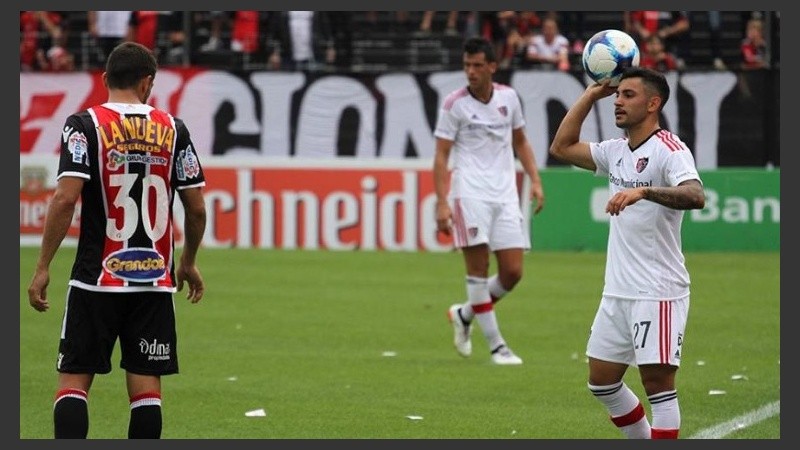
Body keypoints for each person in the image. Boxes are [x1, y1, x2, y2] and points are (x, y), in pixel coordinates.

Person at [26, 41, 207, 439]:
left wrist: (42, 267)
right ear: (148, 83)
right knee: (146, 390)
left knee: (74, 381)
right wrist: (188, 260)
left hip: (96, 278)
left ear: (106, 79)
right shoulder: (174, 129)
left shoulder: (83, 125)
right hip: (154, 282)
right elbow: (195, 208)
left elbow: (65, 198)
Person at [549, 67, 705, 439]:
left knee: (658, 385)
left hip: (658, 291)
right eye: (618, 95)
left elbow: (696, 195)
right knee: (601, 382)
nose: (618, 101)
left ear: (654, 104)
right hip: (617, 291)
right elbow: (562, 147)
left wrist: (645, 191)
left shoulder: (670, 148)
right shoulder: (615, 151)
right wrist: (590, 95)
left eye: (628, 95)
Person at [433, 36, 545, 366]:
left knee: (512, 272)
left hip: (505, 194)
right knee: (479, 271)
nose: (470, 71)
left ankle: (464, 314)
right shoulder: (454, 104)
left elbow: (521, 141)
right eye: (467, 65)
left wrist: (535, 180)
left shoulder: (509, 98)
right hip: (469, 192)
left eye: (477, 65)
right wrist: (442, 202)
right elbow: (441, 156)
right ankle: (497, 347)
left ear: (492, 67)